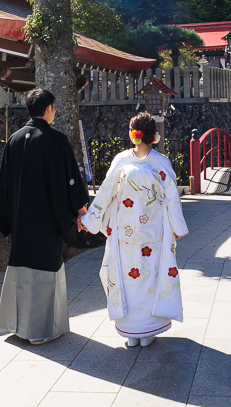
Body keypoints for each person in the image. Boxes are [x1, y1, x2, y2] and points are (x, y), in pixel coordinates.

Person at [79, 113, 189, 347]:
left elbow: (105, 193)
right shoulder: (160, 162)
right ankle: (147, 331)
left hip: (125, 232)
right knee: (150, 278)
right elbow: (172, 199)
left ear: (132, 134)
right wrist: (178, 227)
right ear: (154, 136)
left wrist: (91, 221)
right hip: (154, 232)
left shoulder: (121, 161)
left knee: (127, 277)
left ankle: (131, 331)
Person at [0, 88, 90, 345]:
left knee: (22, 272)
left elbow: (3, 184)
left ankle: (19, 326)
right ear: (48, 108)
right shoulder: (55, 140)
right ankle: (39, 331)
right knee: (46, 273)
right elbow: (70, 181)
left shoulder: (14, 139)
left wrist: (7, 220)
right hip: (47, 219)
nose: (55, 112)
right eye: (55, 107)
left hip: (21, 220)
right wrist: (82, 213)